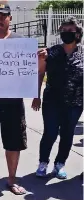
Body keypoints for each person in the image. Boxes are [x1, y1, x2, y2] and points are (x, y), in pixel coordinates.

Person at [0, 3, 47, 195]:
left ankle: (12, 180)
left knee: (13, 143)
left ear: (9, 19)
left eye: (2, 16)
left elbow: (34, 72)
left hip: (13, 103)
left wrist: (40, 62)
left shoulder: (22, 43)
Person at [32, 16, 83, 179]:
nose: (66, 33)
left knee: (67, 134)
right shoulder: (50, 52)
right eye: (63, 30)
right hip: (52, 101)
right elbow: (40, 73)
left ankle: (60, 164)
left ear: (77, 33)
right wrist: (36, 95)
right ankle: (43, 163)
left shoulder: (82, 54)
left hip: (75, 103)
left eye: (70, 30)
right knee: (50, 133)